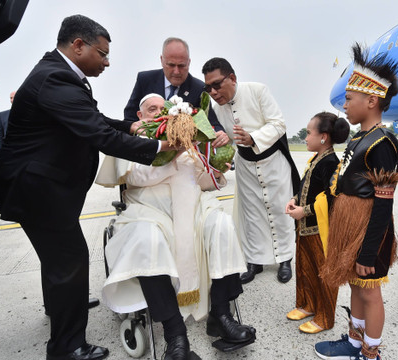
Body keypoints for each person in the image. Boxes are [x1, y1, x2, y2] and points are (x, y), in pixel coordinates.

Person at [0, 15, 179, 360]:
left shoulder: (61, 75)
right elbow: (99, 135)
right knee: (69, 262)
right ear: (78, 45)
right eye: (102, 53)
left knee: (61, 263)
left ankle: (62, 307)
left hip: (44, 189)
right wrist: (158, 147)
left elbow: (96, 119)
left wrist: (134, 126)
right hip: (39, 191)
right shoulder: (56, 78)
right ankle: (67, 347)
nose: (106, 62)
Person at [96, 93, 256, 359]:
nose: (159, 112)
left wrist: (216, 170)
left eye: (163, 108)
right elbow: (137, 176)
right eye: (152, 109)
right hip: (148, 212)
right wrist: (172, 151)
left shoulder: (186, 142)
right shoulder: (134, 141)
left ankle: (221, 314)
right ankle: (175, 335)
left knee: (221, 224)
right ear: (140, 116)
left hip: (193, 211)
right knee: (147, 239)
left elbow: (198, 181)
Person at [314, 43, 398, 360]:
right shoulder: (358, 138)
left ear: (372, 100)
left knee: (370, 290)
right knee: (354, 285)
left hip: (369, 230)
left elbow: (383, 204)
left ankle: (370, 353)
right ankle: (353, 344)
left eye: (349, 100)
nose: (345, 106)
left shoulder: (382, 142)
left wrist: (369, 250)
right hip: (349, 226)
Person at [202, 57, 300, 284]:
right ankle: (255, 260)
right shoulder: (216, 109)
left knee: (280, 210)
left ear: (232, 78)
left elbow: (278, 123)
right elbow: (221, 139)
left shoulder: (257, 91)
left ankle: (284, 259)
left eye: (217, 85)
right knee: (252, 215)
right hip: (245, 166)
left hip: (273, 161)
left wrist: (253, 137)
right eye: (208, 88)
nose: (214, 92)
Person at [285, 112, 349, 334]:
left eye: (309, 133)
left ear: (323, 137)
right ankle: (309, 304)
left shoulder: (331, 162)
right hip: (305, 228)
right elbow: (305, 187)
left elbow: (331, 198)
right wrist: (294, 200)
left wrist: (305, 211)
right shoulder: (316, 160)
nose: (306, 137)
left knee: (324, 274)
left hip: (319, 229)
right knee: (306, 269)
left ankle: (325, 317)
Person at [123, 37, 229, 148]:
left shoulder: (199, 89)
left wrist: (220, 133)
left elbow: (211, 123)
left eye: (182, 66)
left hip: (182, 153)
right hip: (146, 148)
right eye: (171, 65)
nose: (176, 71)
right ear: (162, 60)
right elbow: (129, 118)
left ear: (189, 62)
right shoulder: (145, 80)